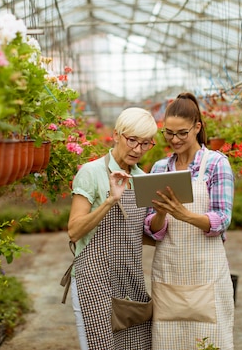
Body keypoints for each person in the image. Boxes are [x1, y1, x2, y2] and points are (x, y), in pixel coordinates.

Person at [144, 92, 235, 350]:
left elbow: (222, 219)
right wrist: (161, 213)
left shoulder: (216, 164)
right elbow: (152, 229)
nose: (174, 140)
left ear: (197, 127)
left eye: (182, 133)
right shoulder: (160, 169)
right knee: (167, 339)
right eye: (168, 133)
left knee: (210, 340)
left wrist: (184, 215)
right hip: (169, 271)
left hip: (207, 271)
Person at [67, 107, 158, 350]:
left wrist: (166, 211)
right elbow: (74, 231)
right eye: (132, 141)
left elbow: (141, 234)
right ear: (116, 135)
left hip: (130, 280)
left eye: (145, 143)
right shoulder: (91, 172)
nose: (138, 150)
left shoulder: (142, 179)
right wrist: (110, 201)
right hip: (94, 281)